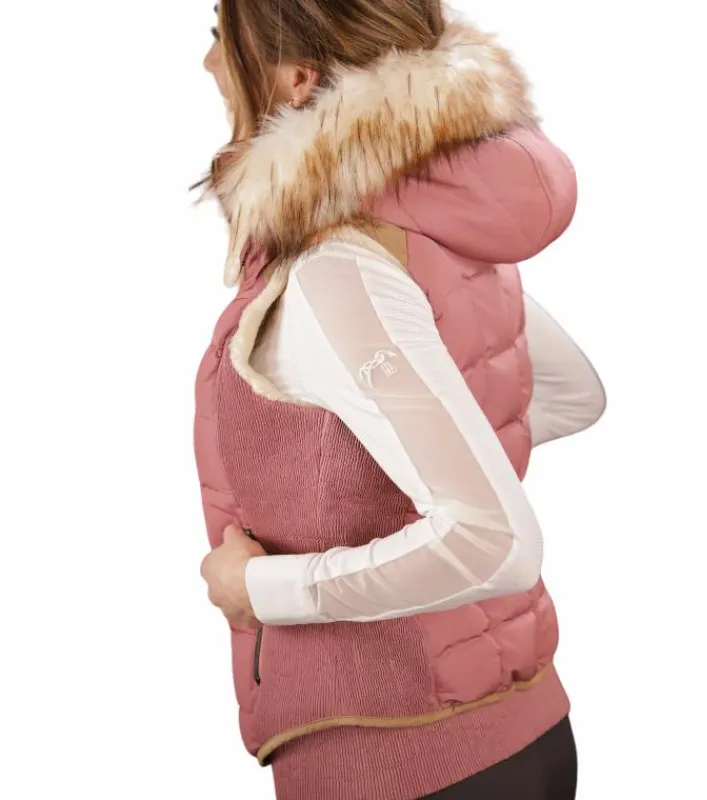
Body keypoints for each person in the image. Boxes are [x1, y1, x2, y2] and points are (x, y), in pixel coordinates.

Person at [195, 2, 605, 798]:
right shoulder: (422, 232)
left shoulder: (335, 267)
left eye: (219, 37)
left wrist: (258, 589)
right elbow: (569, 394)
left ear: (297, 77)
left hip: (402, 758)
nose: (209, 64)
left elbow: (495, 542)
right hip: (529, 731)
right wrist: (444, 457)